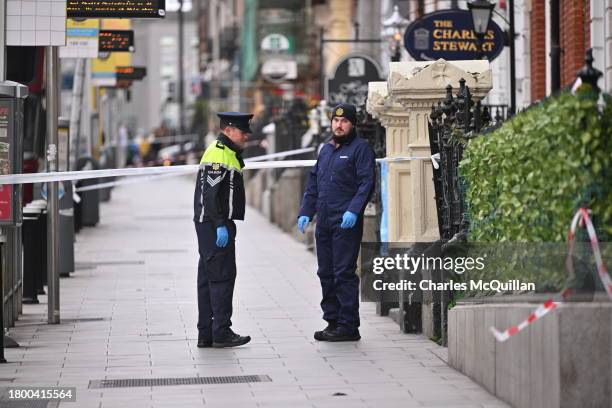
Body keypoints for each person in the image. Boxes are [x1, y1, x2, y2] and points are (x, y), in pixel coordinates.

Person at [297, 103, 376, 342]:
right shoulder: (326, 150)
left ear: (352, 124)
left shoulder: (361, 149)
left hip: (345, 222)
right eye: (335, 121)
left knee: (343, 272)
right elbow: (313, 183)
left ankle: (348, 325)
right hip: (324, 221)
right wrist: (306, 211)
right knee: (326, 272)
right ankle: (332, 321)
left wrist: (354, 210)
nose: (338, 125)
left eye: (344, 122)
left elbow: (366, 183)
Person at [193, 112, 253, 348]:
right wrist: (219, 224)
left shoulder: (226, 152)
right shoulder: (218, 153)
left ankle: (206, 333)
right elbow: (210, 194)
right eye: (242, 131)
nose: (245, 136)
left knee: (208, 279)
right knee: (222, 278)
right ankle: (221, 332)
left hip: (211, 223)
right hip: (213, 224)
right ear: (228, 130)